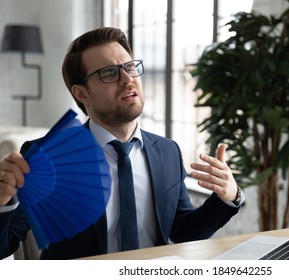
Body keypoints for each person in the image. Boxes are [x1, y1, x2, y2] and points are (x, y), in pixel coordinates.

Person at [0, 27, 243, 260]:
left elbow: (183, 232)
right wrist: (2, 203)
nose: (127, 79)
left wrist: (227, 197)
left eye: (130, 67)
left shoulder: (168, 151)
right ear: (82, 94)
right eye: (109, 73)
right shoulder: (48, 156)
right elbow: (6, 243)